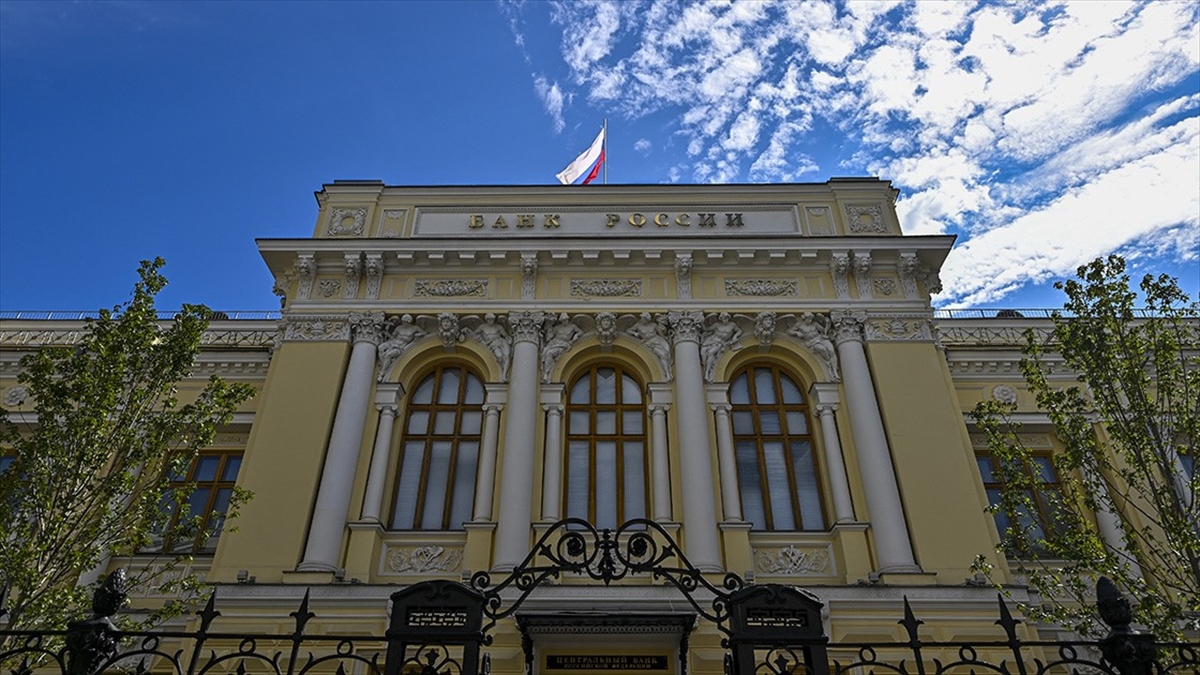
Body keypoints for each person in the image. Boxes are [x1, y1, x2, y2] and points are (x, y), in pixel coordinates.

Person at [377, 315, 426, 382]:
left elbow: (424, 332)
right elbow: (392, 337)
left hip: (401, 347)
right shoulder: (399, 328)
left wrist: (419, 335)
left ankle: (382, 373)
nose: (404, 323)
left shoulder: (415, 328)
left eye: (405, 322)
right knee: (380, 348)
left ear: (409, 322)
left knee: (389, 355)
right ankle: (384, 365)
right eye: (403, 321)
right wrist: (386, 330)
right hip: (392, 342)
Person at [627, 312, 672, 378]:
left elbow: (661, 334)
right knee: (662, 355)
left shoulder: (654, 325)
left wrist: (667, 338)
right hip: (649, 343)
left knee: (666, 355)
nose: (642, 320)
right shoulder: (638, 325)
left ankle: (668, 373)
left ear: (647, 319)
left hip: (658, 340)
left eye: (644, 318)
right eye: (642, 318)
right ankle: (667, 374)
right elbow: (628, 330)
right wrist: (634, 333)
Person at [700, 312, 741, 381]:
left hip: (720, 343)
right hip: (710, 340)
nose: (725, 320)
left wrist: (735, 337)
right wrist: (701, 322)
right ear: (721, 319)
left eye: (726, 318)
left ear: (728, 318)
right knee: (702, 353)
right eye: (723, 319)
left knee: (711, 353)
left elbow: (739, 330)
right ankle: (706, 367)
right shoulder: (717, 325)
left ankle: (707, 373)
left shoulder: (732, 325)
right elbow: (706, 329)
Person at [541, 313, 583, 381]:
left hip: (563, 344)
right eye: (564, 320)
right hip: (554, 342)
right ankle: (546, 372)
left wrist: (576, 336)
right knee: (545, 350)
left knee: (550, 353)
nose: (566, 321)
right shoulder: (557, 328)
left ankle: (547, 373)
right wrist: (548, 328)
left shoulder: (572, 326)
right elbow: (550, 336)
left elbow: (581, 332)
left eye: (566, 320)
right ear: (561, 320)